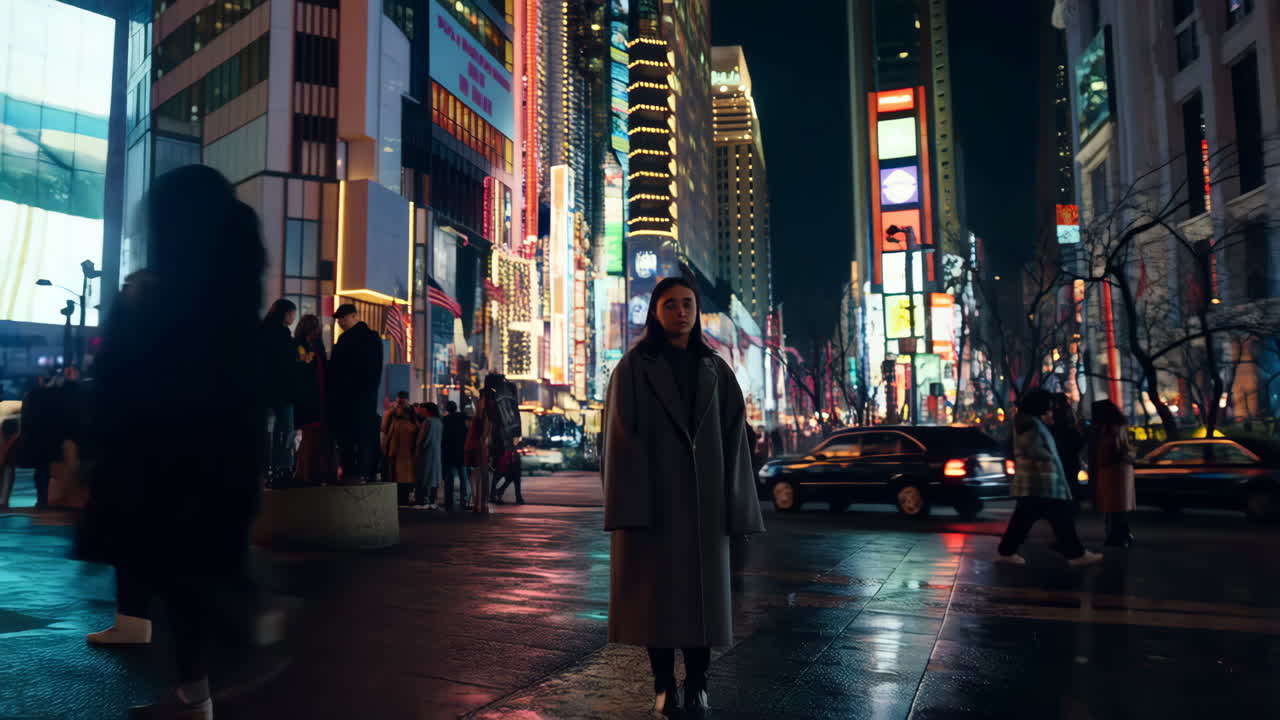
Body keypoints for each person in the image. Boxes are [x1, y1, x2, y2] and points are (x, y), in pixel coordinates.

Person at [76, 164, 267, 719]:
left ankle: (196, 685)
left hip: (166, 464)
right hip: (221, 461)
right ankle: (196, 688)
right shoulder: (233, 288)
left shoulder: (162, 298)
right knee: (195, 576)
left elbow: (124, 379)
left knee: (176, 574)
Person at [602, 276, 766, 716]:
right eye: (671, 304)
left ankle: (698, 684)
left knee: (703, 608)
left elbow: (737, 444)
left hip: (705, 510)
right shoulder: (634, 368)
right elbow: (618, 440)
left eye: (688, 304)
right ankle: (663, 686)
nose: (681, 312)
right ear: (655, 312)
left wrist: (739, 509)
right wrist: (627, 508)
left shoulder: (716, 369)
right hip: (654, 508)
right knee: (657, 607)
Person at [996, 389, 1103, 568]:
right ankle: (1076, 554)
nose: (1050, 411)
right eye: (1049, 407)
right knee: (1059, 518)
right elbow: (1034, 450)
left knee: (1025, 520)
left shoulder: (1027, 423)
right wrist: (1050, 458)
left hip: (1036, 483)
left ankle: (1006, 552)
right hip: (1043, 482)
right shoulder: (1032, 425)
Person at [328, 304, 382, 483]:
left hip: (348, 398)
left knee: (349, 438)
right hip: (363, 398)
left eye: (342, 318)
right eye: (338, 319)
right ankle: (364, 471)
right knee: (363, 436)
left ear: (354, 316)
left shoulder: (345, 341)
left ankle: (353, 471)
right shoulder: (371, 338)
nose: (340, 322)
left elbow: (335, 372)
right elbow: (375, 371)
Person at [291, 314, 335, 486]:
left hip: (314, 401)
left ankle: (310, 473)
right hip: (315, 402)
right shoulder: (309, 347)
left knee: (313, 439)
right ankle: (310, 473)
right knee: (313, 439)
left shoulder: (306, 346)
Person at [260, 299, 297, 485]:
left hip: (265, 390)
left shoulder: (263, 331)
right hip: (284, 390)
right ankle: (282, 468)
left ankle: (267, 469)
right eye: (292, 314)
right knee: (286, 429)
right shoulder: (283, 336)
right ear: (285, 314)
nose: (293, 317)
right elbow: (288, 365)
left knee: (268, 431)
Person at [1090, 399, 1136, 547]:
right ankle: (1122, 535)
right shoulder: (1119, 426)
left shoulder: (1109, 430)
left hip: (1111, 471)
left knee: (1113, 507)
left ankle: (1117, 537)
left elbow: (1107, 451)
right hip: (1120, 470)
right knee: (1118, 508)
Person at [464, 374, 505, 514]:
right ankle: (482, 502)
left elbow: (483, 415)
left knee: (477, 471)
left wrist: (482, 435)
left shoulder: (486, 398)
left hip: (480, 438)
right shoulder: (496, 398)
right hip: (488, 438)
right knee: (483, 471)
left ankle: (478, 502)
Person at [381, 391, 419, 505]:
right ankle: (402, 499)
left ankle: (401, 499)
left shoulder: (399, 418)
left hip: (399, 452)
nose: (400, 406)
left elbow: (384, 430)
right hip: (400, 453)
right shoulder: (397, 417)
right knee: (400, 478)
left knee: (398, 478)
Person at [1051, 393, 1086, 504]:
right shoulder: (1068, 413)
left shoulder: (1054, 416)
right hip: (1071, 456)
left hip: (1060, 455)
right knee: (1071, 482)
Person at [441, 401, 469, 511]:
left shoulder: (445, 420)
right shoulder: (463, 419)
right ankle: (464, 500)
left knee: (449, 478)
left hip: (449, 453)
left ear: (447, 409)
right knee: (464, 478)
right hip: (461, 452)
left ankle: (448, 501)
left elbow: (444, 438)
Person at [415, 402, 444, 508]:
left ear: (427, 411)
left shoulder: (427, 421)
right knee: (434, 476)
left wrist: (417, 450)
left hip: (426, 452)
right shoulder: (439, 422)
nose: (420, 412)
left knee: (425, 475)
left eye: (422, 410)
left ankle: (424, 501)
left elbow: (421, 439)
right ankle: (432, 501)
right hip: (436, 452)